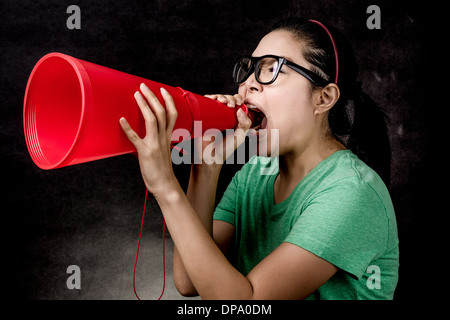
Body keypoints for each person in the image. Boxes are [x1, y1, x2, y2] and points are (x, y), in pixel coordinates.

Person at [119, 17, 399, 300]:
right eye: (249, 70)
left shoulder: (351, 191)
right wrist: (205, 167)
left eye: (271, 69)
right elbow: (190, 280)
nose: (248, 85)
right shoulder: (256, 173)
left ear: (323, 98)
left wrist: (166, 189)